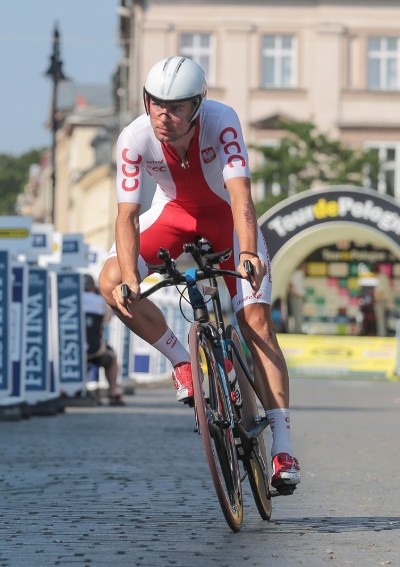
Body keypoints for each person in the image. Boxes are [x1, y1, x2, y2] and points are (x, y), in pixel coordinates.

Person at [97, 56, 300, 491]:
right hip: (172, 217)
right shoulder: (133, 137)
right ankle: (183, 360)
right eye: (155, 105)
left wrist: (248, 253)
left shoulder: (222, 121)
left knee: (256, 322)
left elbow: (241, 196)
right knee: (111, 282)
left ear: (197, 107)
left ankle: (283, 442)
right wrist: (132, 277)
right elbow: (128, 216)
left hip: (226, 221)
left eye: (175, 108)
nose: (163, 116)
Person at [82, 274, 125, 406]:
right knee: (111, 356)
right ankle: (113, 392)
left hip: (69, 352)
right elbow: (107, 319)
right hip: (94, 350)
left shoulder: (68, 300)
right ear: (93, 288)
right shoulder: (99, 301)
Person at [288, 263, 306, 334]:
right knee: (296, 314)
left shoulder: (301, 275)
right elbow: (291, 284)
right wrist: (293, 294)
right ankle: (297, 330)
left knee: (299, 314)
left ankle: (299, 329)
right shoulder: (297, 274)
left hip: (299, 297)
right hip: (296, 297)